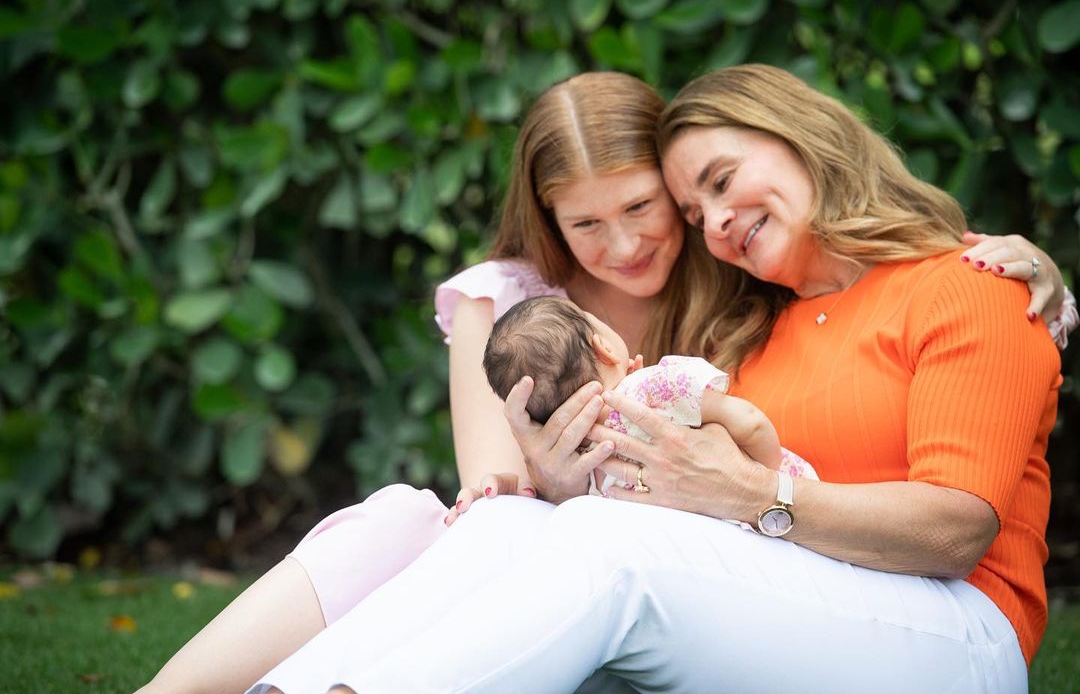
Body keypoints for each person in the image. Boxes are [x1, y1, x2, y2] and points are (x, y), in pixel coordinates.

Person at [140, 70, 1075, 694]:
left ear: (803, 137)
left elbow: (958, 531)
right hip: (809, 594)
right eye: (698, 208)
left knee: (611, 551)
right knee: (511, 517)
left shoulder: (968, 286)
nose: (712, 223)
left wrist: (759, 497)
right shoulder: (751, 325)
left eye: (719, 181)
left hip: (959, 635)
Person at [482, 295, 815, 491]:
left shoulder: (579, 457)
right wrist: (769, 473)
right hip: (759, 502)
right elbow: (749, 421)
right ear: (605, 347)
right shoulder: (659, 384)